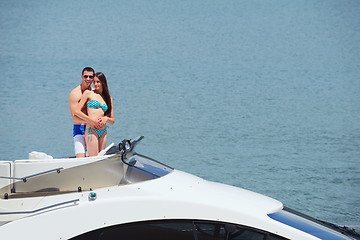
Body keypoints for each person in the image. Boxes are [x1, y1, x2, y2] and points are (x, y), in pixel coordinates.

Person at [74, 72, 115, 156]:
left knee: (101, 157)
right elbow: (77, 111)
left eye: (98, 82)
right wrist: (91, 121)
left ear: (103, 83)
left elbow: (112, 120)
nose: (95, 84)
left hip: (103, 131)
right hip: (91, 130)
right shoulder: (88, 93)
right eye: (94, 82)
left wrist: (106, 118)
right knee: (94, 158)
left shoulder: (108, 98)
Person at [69, 67, 102, 158]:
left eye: (90, 77)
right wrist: (91, 121)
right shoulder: (75, 93)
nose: (88, 79)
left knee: (95, 157)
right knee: (80, 157)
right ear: (81, 77)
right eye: (85, 76)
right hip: (79, 129)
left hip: (93, 128)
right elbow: (74, 116)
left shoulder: (93, 92)